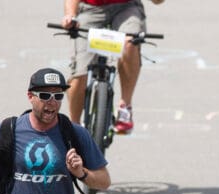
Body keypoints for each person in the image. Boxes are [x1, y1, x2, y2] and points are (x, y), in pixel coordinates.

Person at [61, 0, 163, 133]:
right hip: (90, 9)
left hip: (127, 7)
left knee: (130, 43)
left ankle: (125, 107)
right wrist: (70, 15)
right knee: (80, 75)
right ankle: (73, 128)